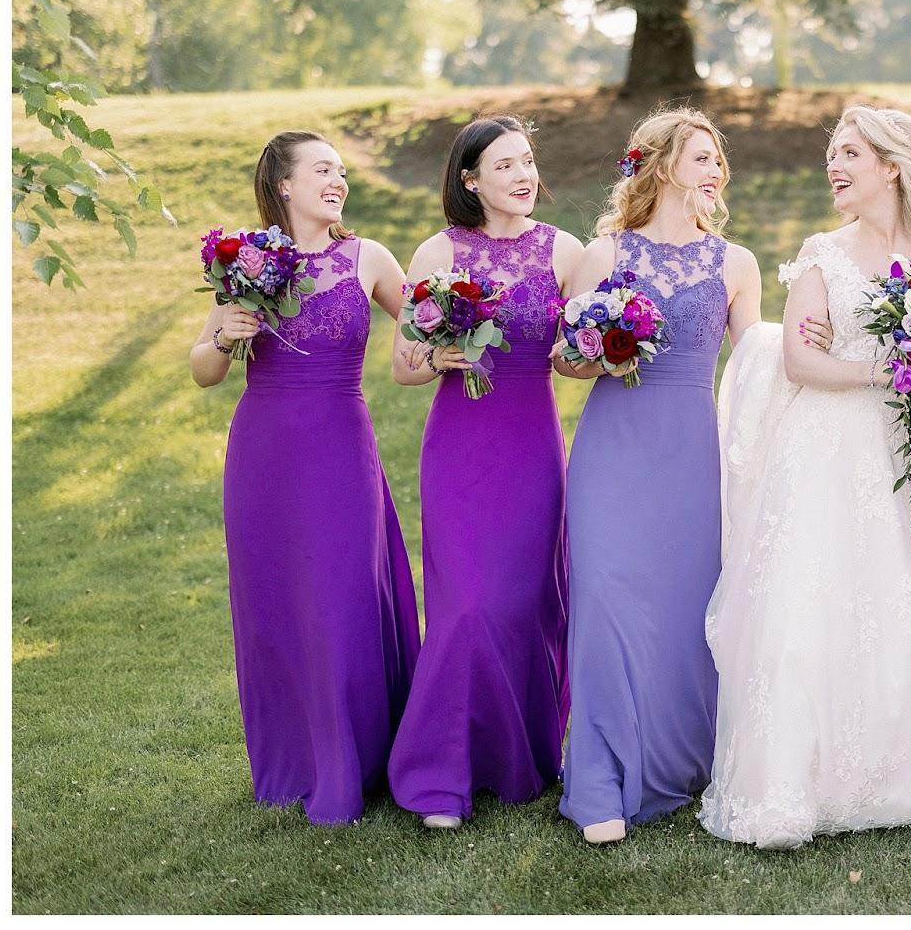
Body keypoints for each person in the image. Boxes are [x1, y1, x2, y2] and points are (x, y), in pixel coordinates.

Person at [698, 105, 911, 849]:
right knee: (813, 596)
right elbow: (801, 361)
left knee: (898, 593)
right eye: (833, 153)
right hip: (825, 445)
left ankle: (898, 775)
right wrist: (890, 371)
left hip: (905, 449)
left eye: (850, 153)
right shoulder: (823, 251)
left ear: (891, 165)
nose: (834, 165)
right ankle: (793, 780)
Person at [190, 130, 419, 825]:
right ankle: (296, 762)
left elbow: (428, 321)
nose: (338, 181)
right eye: (323, 169)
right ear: (284, 184)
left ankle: (363, 759)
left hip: (342, 448)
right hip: (265, 453)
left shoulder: (369, 257)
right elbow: (203, 369)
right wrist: (225, 335)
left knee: (343, 596)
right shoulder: (247, 263)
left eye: (341, 171)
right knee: (279, 600)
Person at [559, 108, 762, 844]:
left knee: (685, 608)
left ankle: (679, 760)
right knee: (606, 600)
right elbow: (564, 359)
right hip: (613, 450)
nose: (716, 169)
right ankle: (599, 779)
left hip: (691, 453)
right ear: (664, 164)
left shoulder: (736, 263)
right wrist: (599, 353)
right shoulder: (605, 253)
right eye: (702, 156)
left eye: (717, 159)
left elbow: (754, 366)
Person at [386, 115, 584, 829]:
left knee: (523, 605)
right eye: (505, 165)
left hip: (532, 444)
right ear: (470, 179)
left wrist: (589, 350)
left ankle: (515, 758)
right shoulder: (439, 250)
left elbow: (579, 356)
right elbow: (403, 366)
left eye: (527, 161)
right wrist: (437, 356)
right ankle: (440, 773)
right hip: (460, 445)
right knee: (465, 605)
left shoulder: (566, 251)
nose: (523, 175)